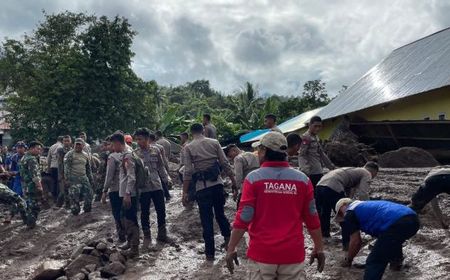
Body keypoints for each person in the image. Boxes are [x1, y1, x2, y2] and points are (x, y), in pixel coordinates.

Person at [226, 132, 325, 279]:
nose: (257, 153)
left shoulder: (254, 178)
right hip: (292, 255)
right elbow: (312, 217)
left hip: (262, 255)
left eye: (259, 149)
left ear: (264, 151)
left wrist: (231, 247)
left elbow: (244, 217)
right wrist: (319, 248)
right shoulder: (303, 180)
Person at [182, 123, 237, 261]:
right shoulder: (214, 142)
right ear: (203, 131)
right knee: (220, 214)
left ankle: (210, 254)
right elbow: (225, 163)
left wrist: (185, 192)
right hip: (217, 185)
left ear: (191, 133)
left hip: (202, 188)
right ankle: (229, 242)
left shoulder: (188, 147)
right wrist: (234, 181)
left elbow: (187, 171)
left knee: (206, 221)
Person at [336, 199, 420, 280]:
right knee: (392, 240)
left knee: (374, 260)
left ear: (344, 205)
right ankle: (396, 263)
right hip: (413, 219)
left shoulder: (350, 212)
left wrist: (349, 259)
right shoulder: (366, 205)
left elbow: (356, 242)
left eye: (340, 213)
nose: (342, 216)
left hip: (397, 223)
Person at [316, 162, 379, 238]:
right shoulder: (367, 173)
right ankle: (347, 243)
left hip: (319, 185)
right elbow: (363, 193)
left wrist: (350, 203)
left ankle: (325, 237)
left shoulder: (354, 171)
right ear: (374, 171)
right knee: (344, 216)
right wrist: (368, 209)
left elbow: (348, 192)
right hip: (334, 186)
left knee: (324, 213)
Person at [135, 128, 171, 248]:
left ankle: (162, 234)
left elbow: (161, 167)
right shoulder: (135, 154)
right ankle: (147, 236)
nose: (138, 142)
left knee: (161, 210)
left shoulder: (156, 150)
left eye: (140, 139)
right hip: (143, 188)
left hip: (156, 185)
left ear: (146, 139)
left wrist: (167, 179)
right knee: (144, 212)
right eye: (137, 139)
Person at [110, 132, 140, 258]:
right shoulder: (126, 153)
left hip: (130, 193)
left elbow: (131, 176)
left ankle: (134, 248)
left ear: (117, 143)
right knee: (127, 218)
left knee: (131, 219)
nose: (112, 147)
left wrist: (127, 193)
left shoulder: (127, 155)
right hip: (126, 192)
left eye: (113, 144)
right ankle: (130, 242)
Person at [299, 116, 335, 187]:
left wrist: (331, 167)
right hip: (311, 173)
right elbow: (302, 155)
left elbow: (321, 153)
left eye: (319, 126)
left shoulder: (315, 137)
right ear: (309, 125)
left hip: (318, 170)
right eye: (315, 126)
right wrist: (305, 171)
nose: (317, 128)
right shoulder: (306, 137)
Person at [101, 137, 125, 243]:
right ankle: (131, 237)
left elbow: (109, 175)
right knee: (128, 213)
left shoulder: (112, 157)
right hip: (128, 189)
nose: (110, 146)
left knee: (117, 213)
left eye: (112, 144)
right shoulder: (131, 153)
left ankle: (122, 236)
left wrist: (104, 190)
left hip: (115, 189)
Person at [64, 138, 94, 215]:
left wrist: (91, 179)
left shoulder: (86, 155)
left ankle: (87, 210)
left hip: (84, 177)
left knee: (89, 194)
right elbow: (67, 168)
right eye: (76, 144)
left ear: (83, 145)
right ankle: (75, 211)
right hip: (74, 178)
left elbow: (88, 169)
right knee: (74, 196)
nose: (77, 146)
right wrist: (67, 179)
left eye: (79, 145)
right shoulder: (70, 154)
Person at [20, 141, 44, 228]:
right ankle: (31, 225)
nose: (39, 151)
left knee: (29, 205)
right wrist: (39, 186)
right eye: (38, 149)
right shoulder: (31, 159)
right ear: (31, 148)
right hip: (31, 187)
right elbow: (35, 175)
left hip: (25, 186)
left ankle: (28, 222)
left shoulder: (24, 158)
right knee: (35, 207)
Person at [149, 134, 172, 201]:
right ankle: (167, 195)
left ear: (149, 139)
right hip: (161, 166)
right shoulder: (160, 146)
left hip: (153, 168)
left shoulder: (152, 148)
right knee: (162, 181)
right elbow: (164, 158)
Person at [56, 135, 72, 208]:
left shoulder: (72, 150)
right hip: (63, 172)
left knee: (70, 189)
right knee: (63, 190)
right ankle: (60, 204)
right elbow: (60, 163)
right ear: (62, 142)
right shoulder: (60, 150)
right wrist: (61, 175)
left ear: (70, 141)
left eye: (68, 141)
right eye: (65, 141)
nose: (66, 142)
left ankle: (68, 204)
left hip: (72, 172)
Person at [47, 136, 63, 200]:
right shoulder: (61, 147)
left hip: (52, 166)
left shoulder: (52, 146)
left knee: (54, 182)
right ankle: (58, 197)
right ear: (62, 140)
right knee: (59, 182)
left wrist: (48, 167)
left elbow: (49, 158)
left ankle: (54, 196)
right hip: (59, 166)